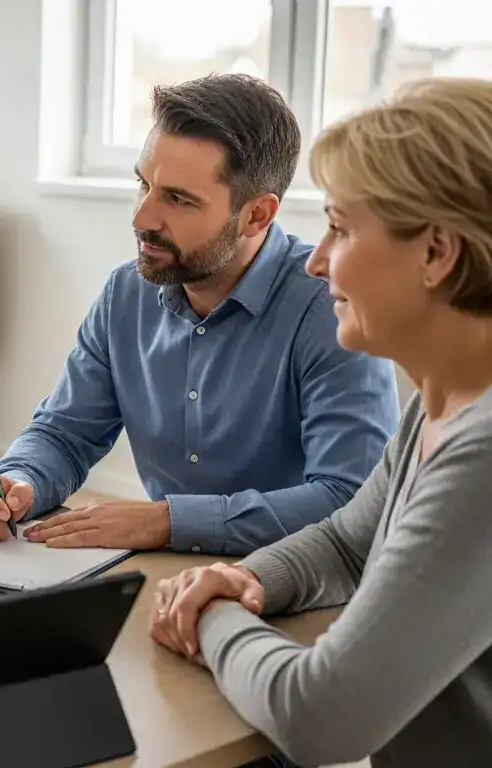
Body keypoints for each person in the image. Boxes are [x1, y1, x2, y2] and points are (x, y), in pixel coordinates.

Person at [149, 77, 492, 766]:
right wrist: (242, 578)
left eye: (340, 228)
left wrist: (211, 614)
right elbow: (344, 544)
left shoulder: (483, 451)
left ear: (436, 253)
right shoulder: (442, 403)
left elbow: (320, 718)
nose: (316, 258)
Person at [0, 74, 400, 555]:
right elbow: (64, 433)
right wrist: (18, 482)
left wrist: (170, 522)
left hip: (305, 585)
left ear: (257, 215)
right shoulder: (127, 293)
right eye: (143, 185)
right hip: (174, 577)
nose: (142, 218)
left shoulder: (332, 308)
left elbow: (350, 502)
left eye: (178, 199)